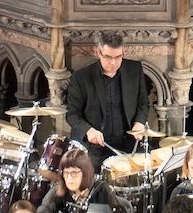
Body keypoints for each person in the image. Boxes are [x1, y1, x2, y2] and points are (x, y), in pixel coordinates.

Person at [65, 31, 153, 170]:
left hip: (128, 139)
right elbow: (72, 114)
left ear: (123, 53)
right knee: (89, 174)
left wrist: (139, 123)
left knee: (146, 168)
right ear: (98, 53)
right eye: (108, 57)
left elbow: (143, 102)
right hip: (96, 145)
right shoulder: (81, 77)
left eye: (118, 57)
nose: (113, 62)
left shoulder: (134, 70)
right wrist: (88, 130)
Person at [35, 148, 137, 213]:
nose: (69, 178)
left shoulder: (101, 189)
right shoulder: (58, 191)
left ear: (84, 173)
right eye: (66, 173)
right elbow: (44, 210)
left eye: (74, 173)